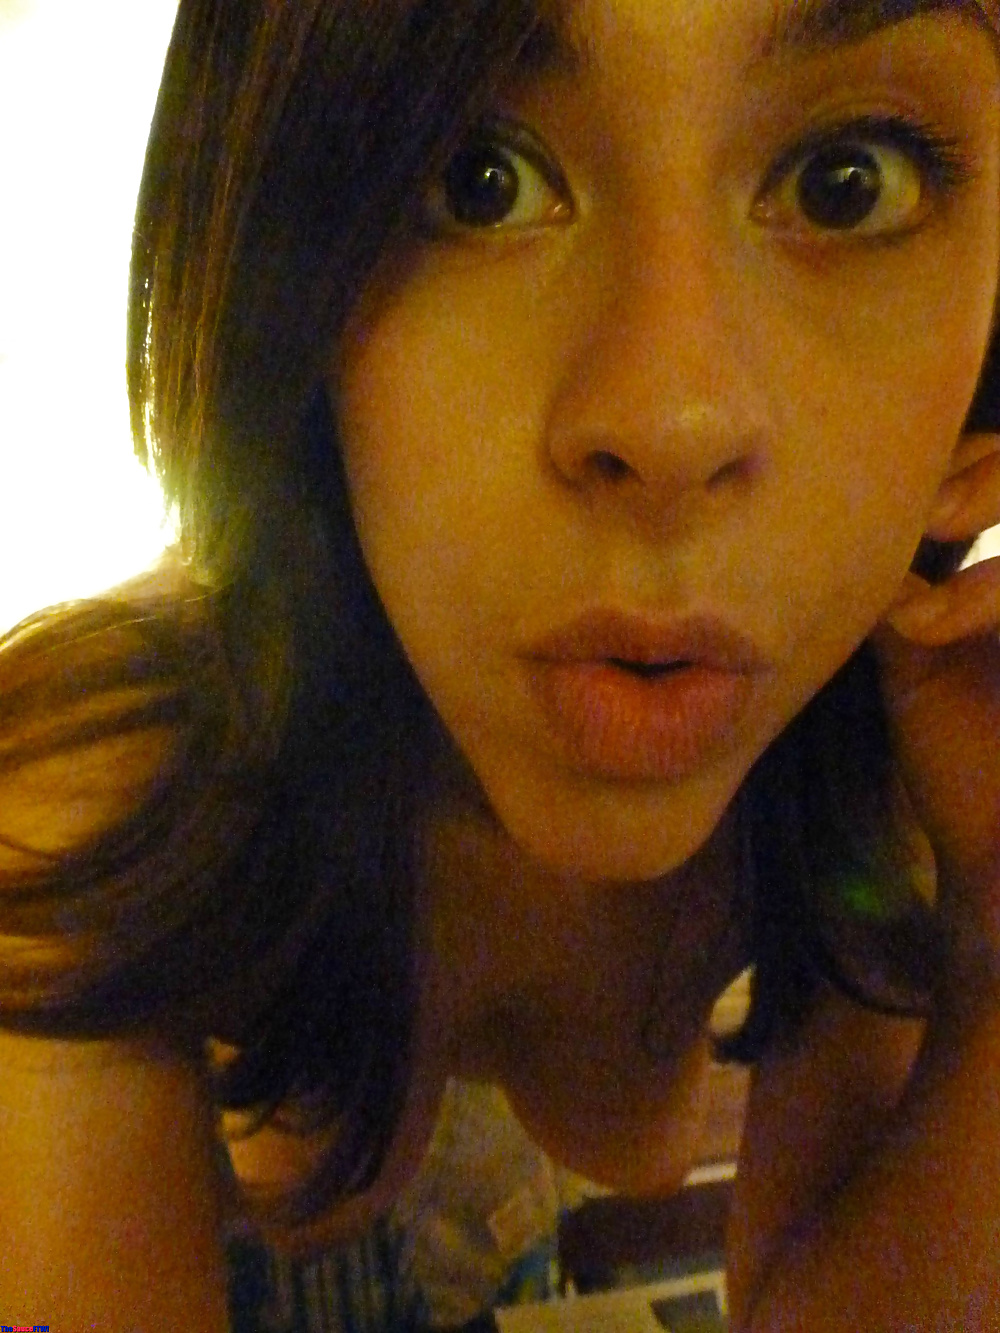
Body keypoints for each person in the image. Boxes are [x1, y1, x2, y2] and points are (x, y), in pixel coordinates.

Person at [1, 0, 999, 1327]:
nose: (668, 420)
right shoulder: (98, 807)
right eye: (476, 178)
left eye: (846, 180)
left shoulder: (882, 754)